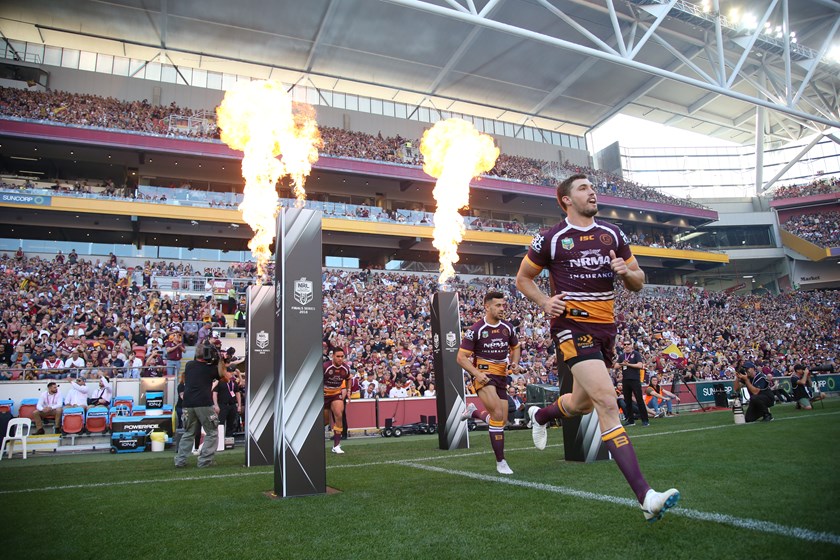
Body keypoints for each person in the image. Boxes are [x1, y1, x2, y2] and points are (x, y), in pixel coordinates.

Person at [515, 173, 680, 522]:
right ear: (566, 200)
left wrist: (626, 273)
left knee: (582, 403)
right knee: (607, 401)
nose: (592, 192)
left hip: (606, 328)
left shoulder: (613, 234)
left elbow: (638, 281)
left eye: (592, 187)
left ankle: (541, 414)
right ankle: (645, 498)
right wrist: (545, 302)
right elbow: (523, 279)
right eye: (583, 188)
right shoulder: (550, 238)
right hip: (572, 326)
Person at [457, 291, 521, 475]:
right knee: (498, 413)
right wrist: (476, 373)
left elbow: (515, 347)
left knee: (501, 420)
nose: (503, 308)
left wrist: (515, 363)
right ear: (487, 307)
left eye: (503, 305)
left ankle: (473, 412)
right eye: (498, 305)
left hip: (501, 375)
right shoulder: (476, 329)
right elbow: (461, 358)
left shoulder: (508, 327)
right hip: (484, 375)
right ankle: (501, 462)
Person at [174, 340, 225, 468]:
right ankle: (204, 460)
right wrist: (219, 360)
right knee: (212, 432)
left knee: (188, 432)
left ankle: (180, 460)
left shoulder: (189, 365)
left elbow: (198, 361)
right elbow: (222, 375)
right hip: (203, 403)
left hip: (188, 403)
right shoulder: (210, 369)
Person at [324, 349, 351, 454]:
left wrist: (348, 391)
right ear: (333, 356)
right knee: (325, 421)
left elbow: (349, 378)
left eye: (342, 356)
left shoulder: (345, 368)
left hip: (336, 394)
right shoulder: (325, 367)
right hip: (324, 394)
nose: (340, 359)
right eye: (338, 356)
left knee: (339, 415)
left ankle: (336, 445)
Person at [618, 341, 649, 426]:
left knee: (639, 399)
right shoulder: (621, 356)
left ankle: (645, 420)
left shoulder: (636, 354)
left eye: (628, 344)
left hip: (635, 379)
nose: (626, 346)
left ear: (631, 345)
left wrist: (628, 364)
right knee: (627, 401)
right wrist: (622, 364)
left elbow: (639, 365)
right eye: (625, 344)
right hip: (626, 380)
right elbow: (616, 366)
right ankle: (630, 420)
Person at [214, 366, 242, 443]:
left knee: (231, 422)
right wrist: (215, 404)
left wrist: (239, 405)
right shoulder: (219, 381)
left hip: (232, 404)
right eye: (229, 372)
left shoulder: (233, 382)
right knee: (220, 422)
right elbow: (215, 393)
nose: (231, 373)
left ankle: (229, 439)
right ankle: (219, 440)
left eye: (232, 372)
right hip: (222, 404)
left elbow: (237, 393)